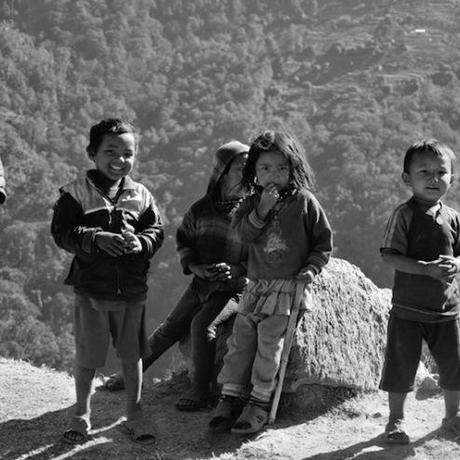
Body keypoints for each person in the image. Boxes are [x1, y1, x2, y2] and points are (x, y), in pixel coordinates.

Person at [104, 140, 251, 412]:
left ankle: (201, 391)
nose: (249, 173)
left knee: (201, 326)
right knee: (170, 328)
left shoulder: (251, 212)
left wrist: (238, 270)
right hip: (201, 283)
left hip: (232, 289)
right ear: (222, 172)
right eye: (242, 167)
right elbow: (185, 242)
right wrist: (196, 267)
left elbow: (257, 254)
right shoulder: (201, 209)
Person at [209, 130, 333, 434]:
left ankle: (259, 403)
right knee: (239, 345)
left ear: (294, 168)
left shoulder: (305, 202)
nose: (274, 175)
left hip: (286, 289)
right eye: (264, 168)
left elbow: (323, 243)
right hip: (254, 288)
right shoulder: (250, 204)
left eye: (281, 168)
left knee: (269, 347)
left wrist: (312, 269)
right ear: (254, 171)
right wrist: (262, 209)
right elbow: (243, 236)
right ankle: (229, 397)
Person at [51, 119, 164, 445]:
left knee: (132, 357)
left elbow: (156, 232)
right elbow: (62, 233)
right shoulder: (75, 194)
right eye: (110, 151)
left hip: (131, 292)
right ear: (92, 153)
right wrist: (95, 237)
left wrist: (140, 243)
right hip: (92, 291)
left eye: (128, 153)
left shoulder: (141, 195)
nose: (120, 159)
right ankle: (80, 416)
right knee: (88, 357)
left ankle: (135, 413)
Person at [379, 139, 460, 445]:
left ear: (452, 178)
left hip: (446, 309)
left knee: (454, 366)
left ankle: (452, 417)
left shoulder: (453, 218)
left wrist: (455, 263)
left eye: (442, 172)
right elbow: (389, 255)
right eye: (423, 171)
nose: (433, 178)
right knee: (401, 366)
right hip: (408, 309)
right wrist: (425, 269)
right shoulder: (404, 215)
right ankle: (395, 420)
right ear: (406, 179)